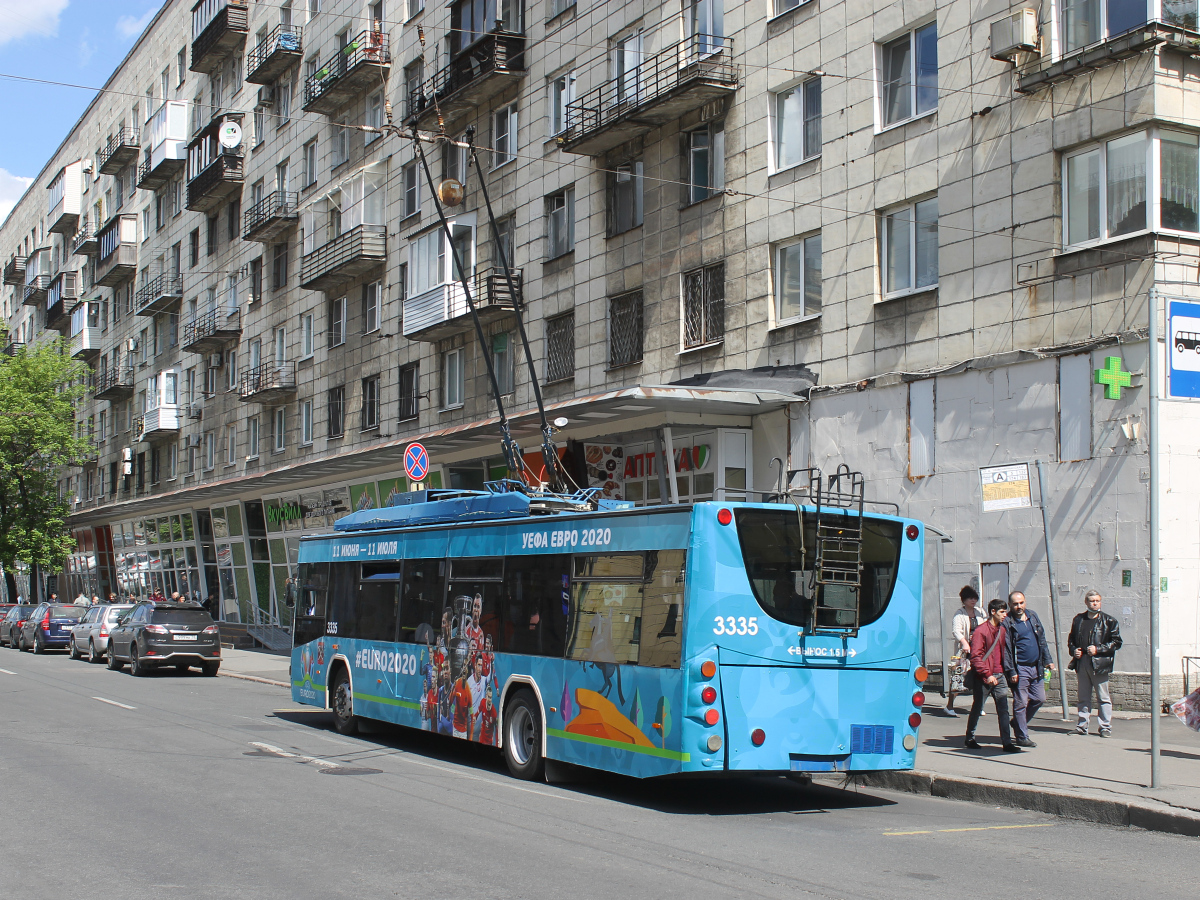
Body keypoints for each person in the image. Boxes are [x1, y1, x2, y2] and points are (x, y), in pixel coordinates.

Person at [965, 599, 1020, 753]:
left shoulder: (1002, 630)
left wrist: (1008, 672)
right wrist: (987, 674)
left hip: (1000, 675)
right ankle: (969, 737)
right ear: (993, 612)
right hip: (984, 677)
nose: (1005, 615)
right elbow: (975, 656)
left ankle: (1007, 743)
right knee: (978, 707)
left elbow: (1005, 653)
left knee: (1003, 710)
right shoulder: (981, 631)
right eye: (1002, 612)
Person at [1002, 590, 1056, 747]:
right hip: (1020, 668)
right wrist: (1011, 670)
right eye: (1015, 604)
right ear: (1010, 605)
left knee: (1039, 698)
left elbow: (1042, 640)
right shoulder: (1008, 622)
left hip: (1036, 666)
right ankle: (1022, 736)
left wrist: (1048, 659)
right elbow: (1006, 649)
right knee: (1021, 702)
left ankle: (1018, 723)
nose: (1019, 606)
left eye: (1021, 603)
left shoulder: (1032, 616)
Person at [1068, 590, 1123, 737]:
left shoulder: (1109, 621)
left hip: (1099, 664)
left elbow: (1116, 642)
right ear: (1086, 602)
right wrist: (1074, 650)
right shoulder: (1078, 620)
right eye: (1092, 601)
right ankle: (1082, 726)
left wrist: (1098, 649)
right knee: (1083, 697)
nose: (1095, 603)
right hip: (1083, 662)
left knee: (1103, 697)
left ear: (1100, 602)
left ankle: (1105, 727)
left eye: (1097, 601)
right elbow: (1071, 639)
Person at [946, 585, 984, 717]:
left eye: (974, 598)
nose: (973, 601)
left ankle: (979, 706)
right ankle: (950, 705)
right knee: (958, 677)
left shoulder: (980, 612)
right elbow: (956, 631)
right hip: (965, 651)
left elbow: (985, 626)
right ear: (964, 600)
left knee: (980, 678)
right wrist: (964, 642)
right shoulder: (959, 613)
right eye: (969, 598)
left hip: (979, 650)